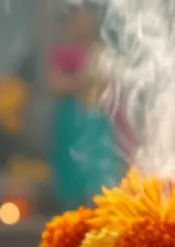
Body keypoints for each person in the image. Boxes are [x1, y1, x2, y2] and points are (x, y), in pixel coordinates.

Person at [48, 4, 123, 209]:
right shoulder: (63, 53)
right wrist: (84, 79)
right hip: (72, 119)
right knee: (72, 169)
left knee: (101, 170)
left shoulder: (103, 53)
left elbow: (113, 87)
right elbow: (54, 84)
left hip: (99, 120)